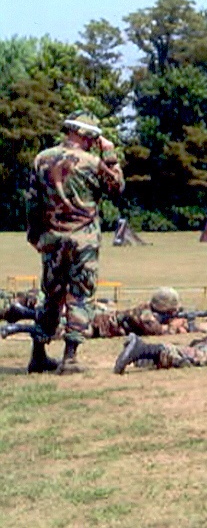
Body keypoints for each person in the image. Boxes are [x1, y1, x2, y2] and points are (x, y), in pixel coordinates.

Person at [24, 110, 125, 374]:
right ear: (86, 135)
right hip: (84, 240)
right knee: (81, 294)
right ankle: (70, 357)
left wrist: (34, 235)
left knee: (51, 295)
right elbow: (117, 188)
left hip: (52, 238)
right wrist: (111, 155)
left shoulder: (42, 159)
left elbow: (32, 201)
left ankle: (39, 354)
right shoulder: (92, 162)